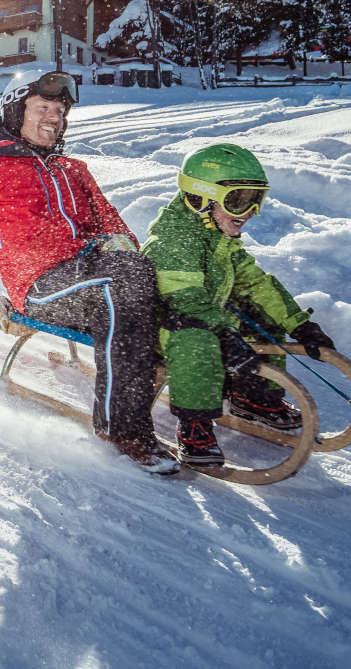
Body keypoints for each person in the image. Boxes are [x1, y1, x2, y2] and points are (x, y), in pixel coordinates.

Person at [0, 68, 177, 474]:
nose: (53, 118)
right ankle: (124, 430)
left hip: (96, 273)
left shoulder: (73, 168)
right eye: (42, 107)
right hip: (42, 286)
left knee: (152, 276)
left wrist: (121, 243)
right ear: (14, 112)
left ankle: (221, 390)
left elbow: (112, 222)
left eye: (59, 112)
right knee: (122, 282)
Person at [139, 143, 335, 467]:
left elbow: (255, 283)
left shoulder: (218, 237)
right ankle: (194, 425)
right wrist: (225, 333)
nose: (248, 213)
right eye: (238, 200)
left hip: (204, 317)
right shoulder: (173, 240)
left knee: (259, 315)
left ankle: (254, 398)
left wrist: (299, 324)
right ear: (199, 198)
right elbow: (186, 301)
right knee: (198, 338)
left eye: (256, 200)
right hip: (162, 330)